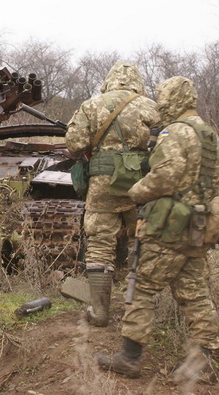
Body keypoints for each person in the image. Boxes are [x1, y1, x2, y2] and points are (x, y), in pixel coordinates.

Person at [95, 76, 219, 383]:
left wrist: (136, 191)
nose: (161, 105)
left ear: (173, 100)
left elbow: (164, 177)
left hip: (168, 227)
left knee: (141, 288)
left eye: (164, 100)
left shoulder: (175, 133)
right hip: (198, 224)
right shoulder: (206, 133)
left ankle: (129, 358)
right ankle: (202, 360)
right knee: (194, 293)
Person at [66, 62, 159, 327]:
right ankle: (139, 314)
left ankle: (100, 313)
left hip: (103, 184)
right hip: (141, 183)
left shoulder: (91, 105)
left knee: (99, 242)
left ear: (109, 80)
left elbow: (75, 145)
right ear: (136, 81)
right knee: (141, 241)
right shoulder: (150, 106)